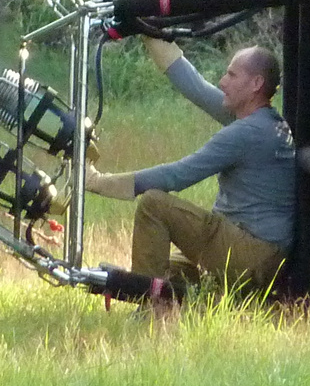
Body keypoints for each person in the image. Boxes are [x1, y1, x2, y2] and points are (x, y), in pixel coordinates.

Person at [85, 37, 296, 294]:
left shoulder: (248, 133)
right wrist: (148, 34)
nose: (222, 82)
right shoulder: (264, 122)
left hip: (251, 254)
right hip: (263, 254)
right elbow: (197, 89)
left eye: (231, 75)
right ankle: (166, 297)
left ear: (256, 84)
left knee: (154, 205)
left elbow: (177, 176)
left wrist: (96, 182)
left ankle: (147, 307)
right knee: (168, 271)